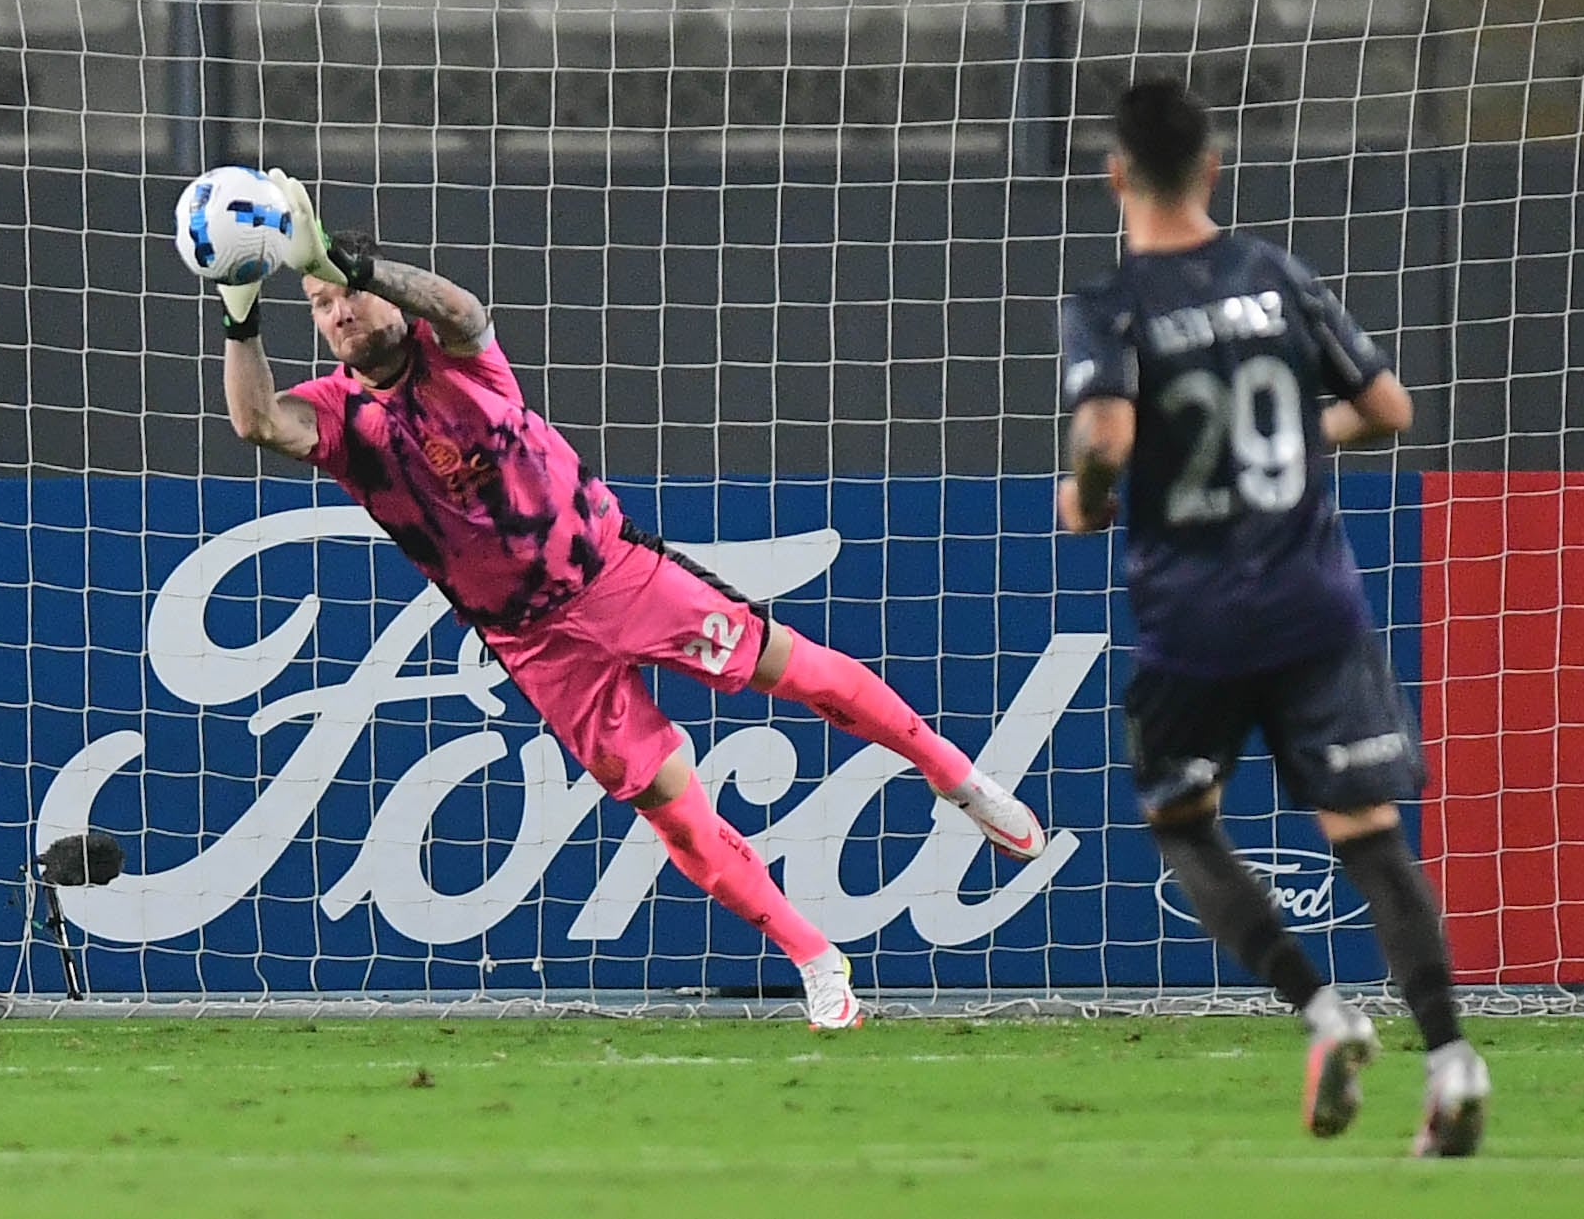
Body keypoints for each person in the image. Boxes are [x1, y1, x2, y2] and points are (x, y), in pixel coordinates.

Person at [211, 170, 1047, 1029]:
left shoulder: (455, 353)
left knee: (794, 671)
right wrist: (242, 309)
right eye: (317, 305)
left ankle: (959, 778)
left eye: (342, 295)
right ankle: (814, 955)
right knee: (674, 813)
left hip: (612, 573)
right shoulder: (343, 416)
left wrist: (347, 261)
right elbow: (257, 424)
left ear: (382, 295)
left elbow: (461, 306)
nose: (337, 314)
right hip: (532, 645)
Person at [1056, 80, 1490, 1155]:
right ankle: (1450, 1060)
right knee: (1369, 837)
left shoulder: (1110, 304)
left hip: (1196, 622)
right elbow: (1388, 408)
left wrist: (1086, 493)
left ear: (1115, 174)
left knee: (1181, 819)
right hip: (1313, 604)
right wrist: (1295, 440)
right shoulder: (1275, 275)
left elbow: (1105, 438)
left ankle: (1321, 1008)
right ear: (1210, 169)